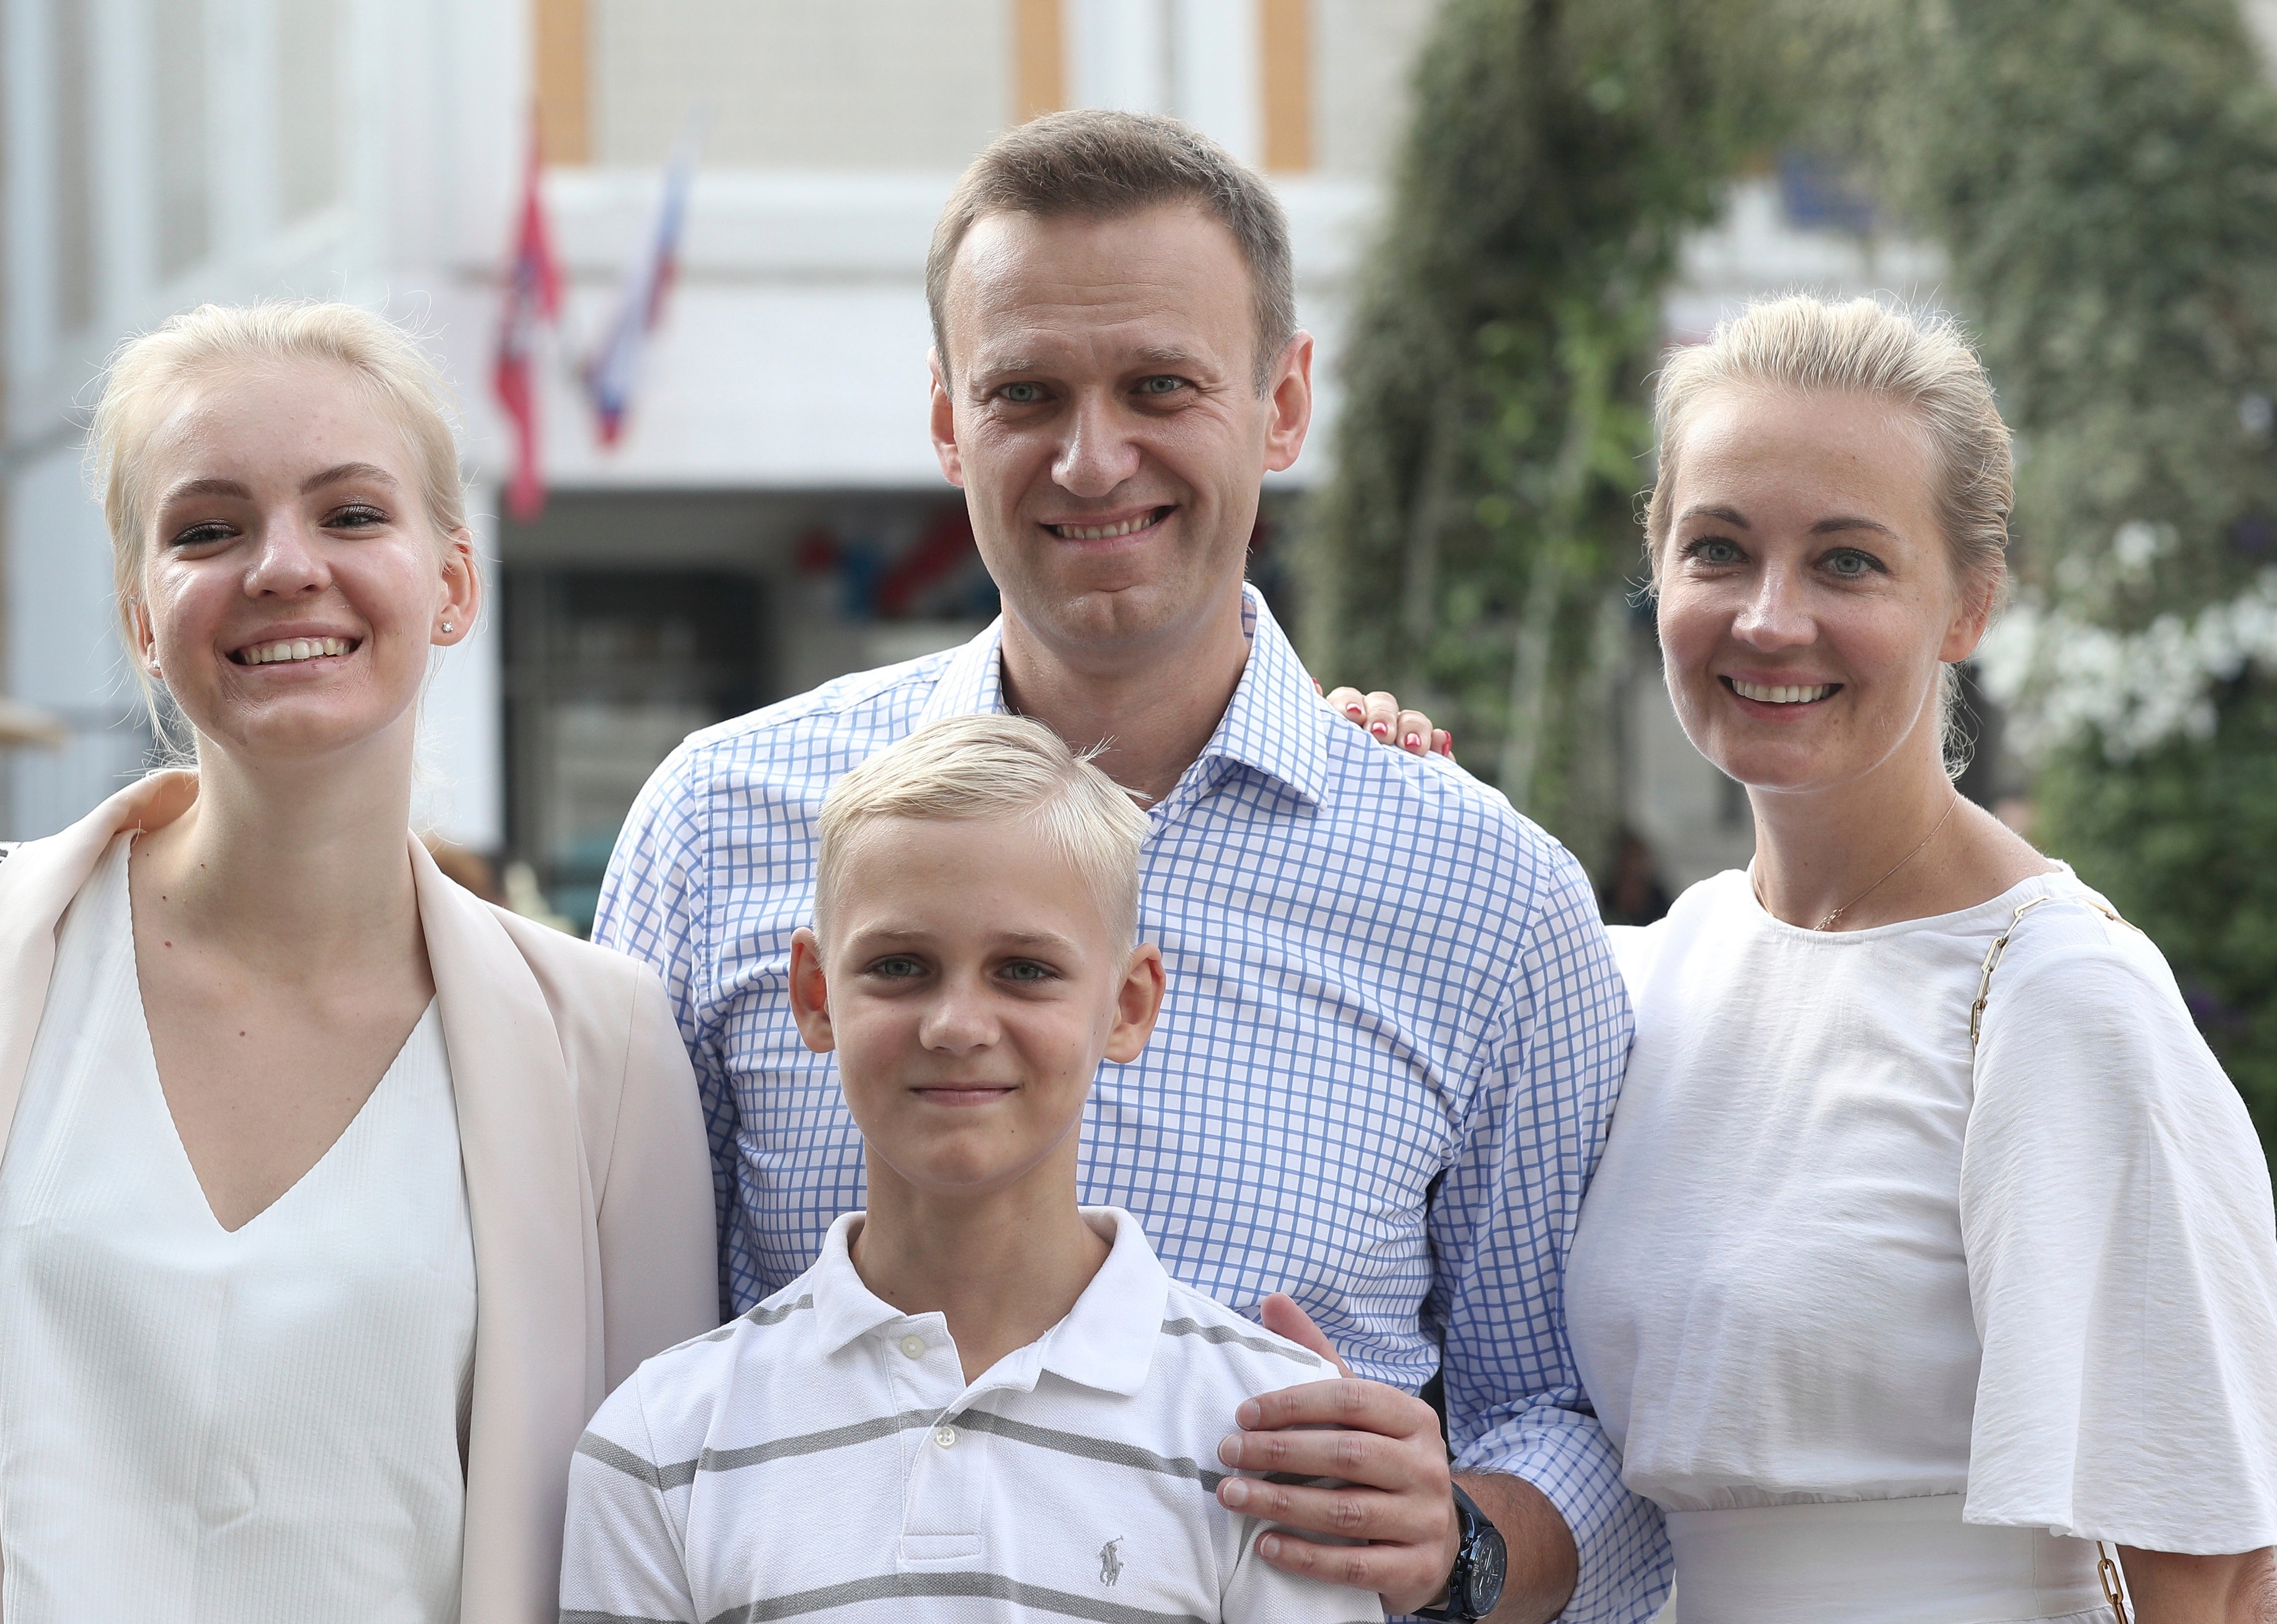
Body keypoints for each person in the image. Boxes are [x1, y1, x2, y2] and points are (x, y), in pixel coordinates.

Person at [598, 110, 1657, 1623]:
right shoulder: (721, 826)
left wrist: (1461, 1543)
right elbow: (627, 1362)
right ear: (949, 420)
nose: (1092, 459)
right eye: (1025, 391)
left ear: (1282, 403)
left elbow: (1591, 1428)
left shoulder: (1485, 896)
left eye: (1160, 385)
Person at [0, 302, 717, 1622]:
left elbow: (641, 1545)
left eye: (352, 514)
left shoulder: (601, 1041)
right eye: (208, 527)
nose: (283, 566)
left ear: (453, 582)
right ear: (143, 615)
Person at [1551, 294, 2277, 1620]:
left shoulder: (2057, 1001)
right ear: (1656, 563)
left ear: (1968, 606)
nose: (1768, 620)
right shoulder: (1649, 972)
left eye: (1845, 563)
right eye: (1718, 549)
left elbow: (2213, 1568)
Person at [564, 715, 1379, 1624]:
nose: (956, 1025)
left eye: (1024, 970)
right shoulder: (664, 1440)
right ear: (814, 993)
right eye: (899, 966)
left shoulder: (1264, 1433)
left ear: (1129, 1004)